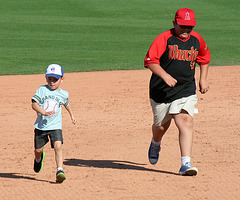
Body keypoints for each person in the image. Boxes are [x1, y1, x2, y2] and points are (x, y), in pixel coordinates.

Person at [144, 8, 211, 176]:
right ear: (174, 23)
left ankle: (185, 163)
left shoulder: (197, 40)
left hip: (186, 88)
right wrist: (165, 76)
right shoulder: (164, 39)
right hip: (161, 91)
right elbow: (150, 61)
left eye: (190, 27)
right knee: (160, 127)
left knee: (185, 120)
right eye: (183, 26)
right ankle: (156, 142)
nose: (186, 30)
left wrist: (203, 78)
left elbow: (204, 57)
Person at [32, 64, 77, 183]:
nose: (52, 82)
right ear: (45, 78)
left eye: (55, 80)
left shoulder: (64, 94)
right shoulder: (41, 90)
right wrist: (44, 112)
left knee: (58, 146)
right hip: (41, 126)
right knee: (38, 150)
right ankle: (38, 159)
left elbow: (66, 104)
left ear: (62, 79)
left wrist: (72, 115)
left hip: (55, 126)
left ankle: (60, 170)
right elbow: (34, 104)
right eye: (49, 79)